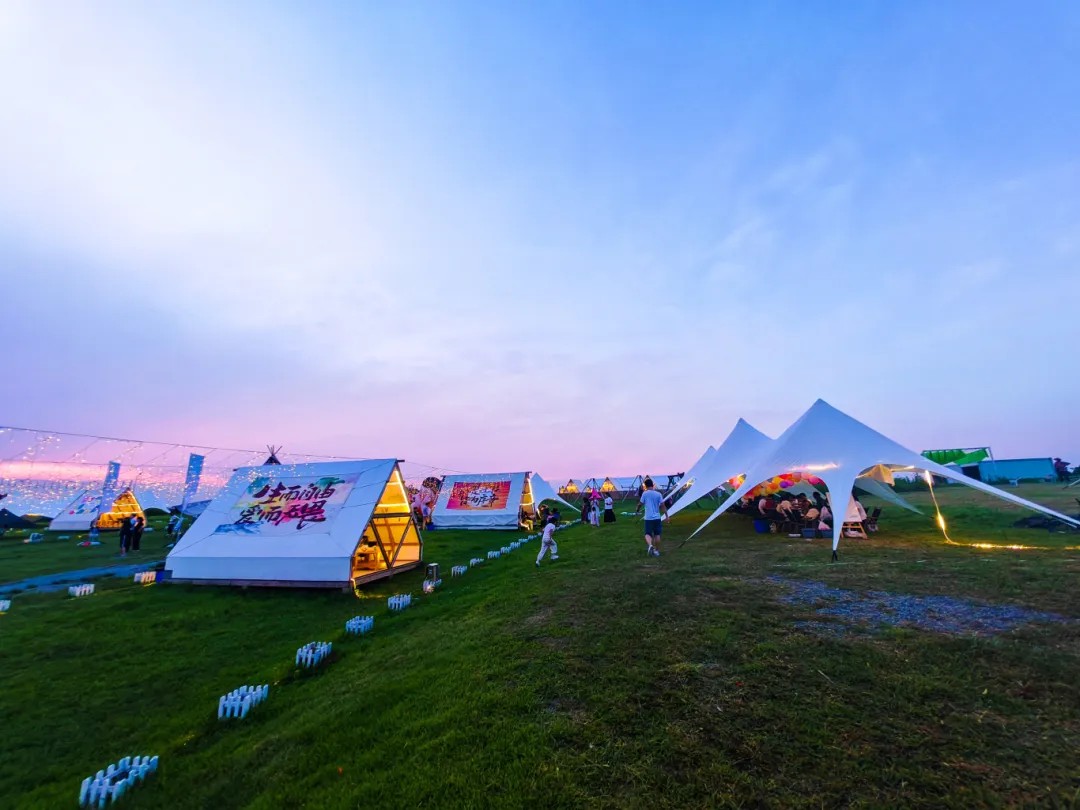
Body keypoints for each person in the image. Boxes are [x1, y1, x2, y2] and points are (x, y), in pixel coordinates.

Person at [634, 477, 666, 557]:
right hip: (657, 517)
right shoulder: (658, 494)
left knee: (647, 533)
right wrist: (667, 516)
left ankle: (650, 545)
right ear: (652, 485)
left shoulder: (645, 494)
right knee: (657, 534)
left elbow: (640, 503)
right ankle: (657, 551)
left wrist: (637, 509)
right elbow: (663, 506)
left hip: (648, 518)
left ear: (645, 486)